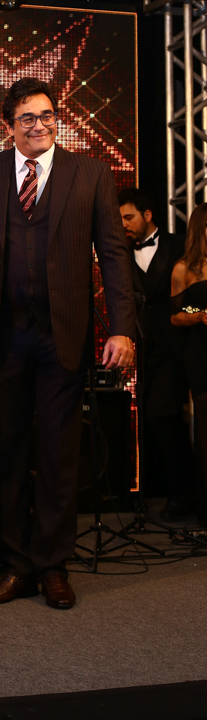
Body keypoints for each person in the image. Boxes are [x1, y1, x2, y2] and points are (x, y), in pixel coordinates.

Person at [0, 77, 135, 610]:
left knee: (60, 453)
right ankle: (16, 564)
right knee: (7, 452)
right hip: (5, 335)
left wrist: (123, 328)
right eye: (27, 118)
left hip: (64, 334)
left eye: (46, 116)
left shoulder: (91, 173)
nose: (39, 126)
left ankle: (53, 564)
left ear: (56, 118)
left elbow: (113, 253)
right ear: (9, 125)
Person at [118, 188, 191, 518]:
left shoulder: (179, 245)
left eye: (128, 217)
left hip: (178, 347)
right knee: (149, 419)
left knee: (162, 414)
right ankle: (158, 493)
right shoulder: (119, 252)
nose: (123, 224)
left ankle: (183, 494)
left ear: (147, 215)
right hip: (143, 350)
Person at [170, 203, 207, 527]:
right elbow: (176, 315)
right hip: (201, 353)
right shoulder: (184, 268)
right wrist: (201, 315)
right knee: (205, 429)